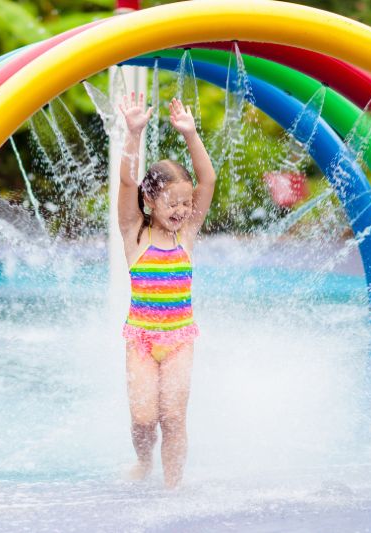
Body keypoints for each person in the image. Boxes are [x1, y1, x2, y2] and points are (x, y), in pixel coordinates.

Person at [117, 92, 216, 489]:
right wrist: (134, 133)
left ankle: (172, 488)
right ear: (149, 199)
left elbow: (207, 180)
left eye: (185, 202)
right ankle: (143, 463)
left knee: (173, 416)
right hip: (140, 339)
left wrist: (191, 135)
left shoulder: (187, 234)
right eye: (172, 202)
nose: (181, 209)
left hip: (179, 340)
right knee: (144, 419)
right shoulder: (134, 232)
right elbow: (126, 179)